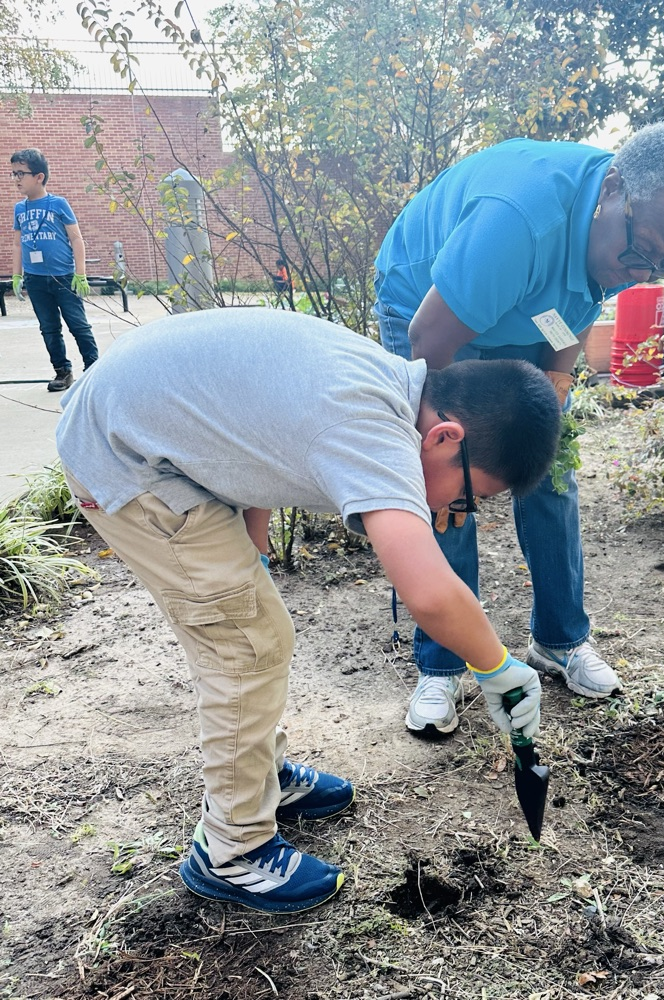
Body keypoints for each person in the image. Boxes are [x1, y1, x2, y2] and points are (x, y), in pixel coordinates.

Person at [56, 307, 561, 914]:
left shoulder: (390, 385)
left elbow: (260, 433)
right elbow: (428, 593)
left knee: (253, 628)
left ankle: (259, 779)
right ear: (445, 437)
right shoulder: (373, 431)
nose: (457, 509)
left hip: (143, 424)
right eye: (468, 495)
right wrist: (499, 668)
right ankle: (231, 850)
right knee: (245, 645)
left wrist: (253, 539)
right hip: (122, 456)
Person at [374, 121, 664, 737]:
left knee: (552, 472)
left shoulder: (617, 237)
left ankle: (560, 639)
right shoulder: (521, 220)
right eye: (643, 252)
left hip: (519, 315)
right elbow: (429, 340)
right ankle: (443, 663)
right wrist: (459, 443)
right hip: (431, 311)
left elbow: (565, 323)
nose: (645, 275)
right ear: (613, 190)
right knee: (449, 485)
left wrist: (554, 401)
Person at [10, 147, 98, 392]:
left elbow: (76, 239)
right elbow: (17, 244)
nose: (16, 179)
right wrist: (17, 274)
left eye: (21, 174)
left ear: (39, 177)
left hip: (64, 278)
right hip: (36, 280)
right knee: (49, 328)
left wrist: (80, 274)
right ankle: (62, 371)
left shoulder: (58, 203)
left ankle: (94, 368)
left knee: (78, 325)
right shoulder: (19, 209)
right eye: (13, 174)